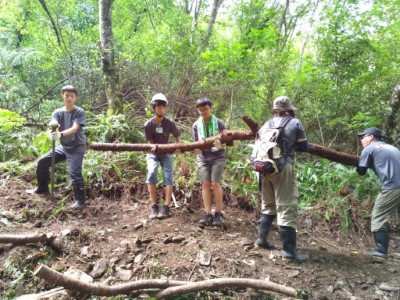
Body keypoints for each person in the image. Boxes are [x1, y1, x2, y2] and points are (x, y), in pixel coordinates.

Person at [255, 96, 309, 262]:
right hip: (283, 168)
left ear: (275, 111)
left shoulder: (266, 124)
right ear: (289, 110)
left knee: (268, 205)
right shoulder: (295, 123)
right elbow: (304, 147)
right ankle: (289, 252)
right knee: (286, 206)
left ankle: (261, 240)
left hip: (263, 169)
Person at [29, 85, 87, 209]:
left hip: (77, 147)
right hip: (64, 147)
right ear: (62, 96)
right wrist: (53, 127)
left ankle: (80, 200)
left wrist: (60, 134)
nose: (69, 98)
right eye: (67, 96)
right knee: (43, 162)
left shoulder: (79, 112)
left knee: (74, 173)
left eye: (72, 96)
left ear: (76, 98)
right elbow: (54, 121)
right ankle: (42, 188)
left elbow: (75, 128)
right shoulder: (58, 112)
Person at [356, 127, 400, 258]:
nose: (362, 140)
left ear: (371, 137)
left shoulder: (369, 149)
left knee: (378, 216)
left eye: (363, 137)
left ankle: (380, 251)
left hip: (393, 186)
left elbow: (361, 171)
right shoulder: (393, 148)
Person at [144, 93, 181, 220]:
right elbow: (149, 141)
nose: (162, 110)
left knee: (168, 176)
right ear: (154, 108)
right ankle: (154, 206)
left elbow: (177, 138)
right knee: (152, 173)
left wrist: (177, 148)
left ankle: (166, 206)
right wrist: (152, 146)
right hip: (153, 154)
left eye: (164, 107)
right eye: (159, 107)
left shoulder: (169, 123)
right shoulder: (148, 124)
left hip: (166, 153)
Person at [192, 97, 227, 226]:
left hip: (218, 156)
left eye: (205, 109)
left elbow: (226, 141)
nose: (203, 112)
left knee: (215, 184)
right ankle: (207, 213)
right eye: (200, 110)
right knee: (205, 184)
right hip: (203, 157)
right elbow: (196, 143)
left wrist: (219, 143)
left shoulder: (219, 123)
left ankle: (218, 213)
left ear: (210, 108)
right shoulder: (196, 125)